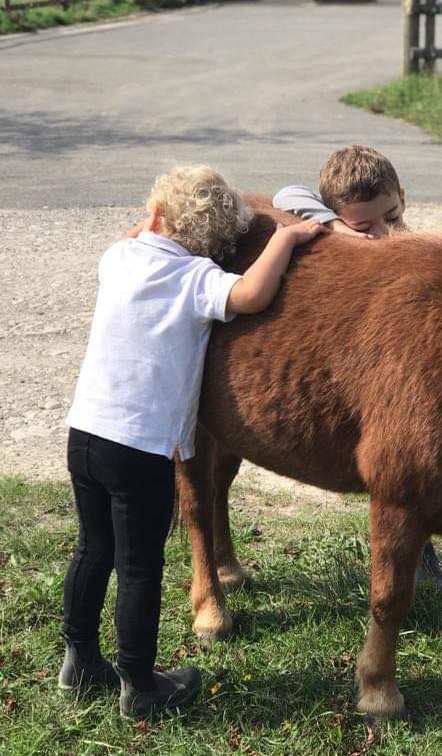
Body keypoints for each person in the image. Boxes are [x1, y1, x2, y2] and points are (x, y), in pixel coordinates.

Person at [59, 166, 327, 718]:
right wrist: (285, 236)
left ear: (154, 218)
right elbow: (252, 294)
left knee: (92, 549)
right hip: (141, 449)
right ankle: (140, 685)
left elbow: (132, 236)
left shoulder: (118, 260)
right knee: (139, 568)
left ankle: (80, 661)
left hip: (84, 434)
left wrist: (148, 224)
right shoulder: (197, 279)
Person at [273, 144, 442, 588]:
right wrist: (336, 230)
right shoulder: (340, 241)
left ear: (402, 198)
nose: (386, 235)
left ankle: (422, 552)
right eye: (365, 226)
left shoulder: (414, 247)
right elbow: (285, 194)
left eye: (392, 217)